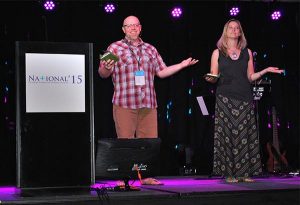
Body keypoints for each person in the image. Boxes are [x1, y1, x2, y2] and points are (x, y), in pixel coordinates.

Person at [98, 15, 198, 185]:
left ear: (140, 27)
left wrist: (181, 65)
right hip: (124, 102)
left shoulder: (150, 49)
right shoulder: (114, 47)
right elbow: (103, 74)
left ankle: (145, 177)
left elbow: (162, 72)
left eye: (136, 25)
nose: (133, 28)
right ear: (123, 29)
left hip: (148, 104)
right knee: (126, 143)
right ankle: (125, 177)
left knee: (148, 144)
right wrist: (106, 67)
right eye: (129, 26)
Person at [205, 19, 284, 183]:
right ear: (225, 32)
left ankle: (244, 173)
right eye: (231, 28)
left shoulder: (247, 52)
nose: (234, 30)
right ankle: (229, 173)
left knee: (244, 136)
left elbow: (250, 77)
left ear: (240, 32)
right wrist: (211, 78)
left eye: (237, 28)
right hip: (225, 98)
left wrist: (266, 70)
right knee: (227, 136)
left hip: (245, 97)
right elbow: (213, 75)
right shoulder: (217, 52)